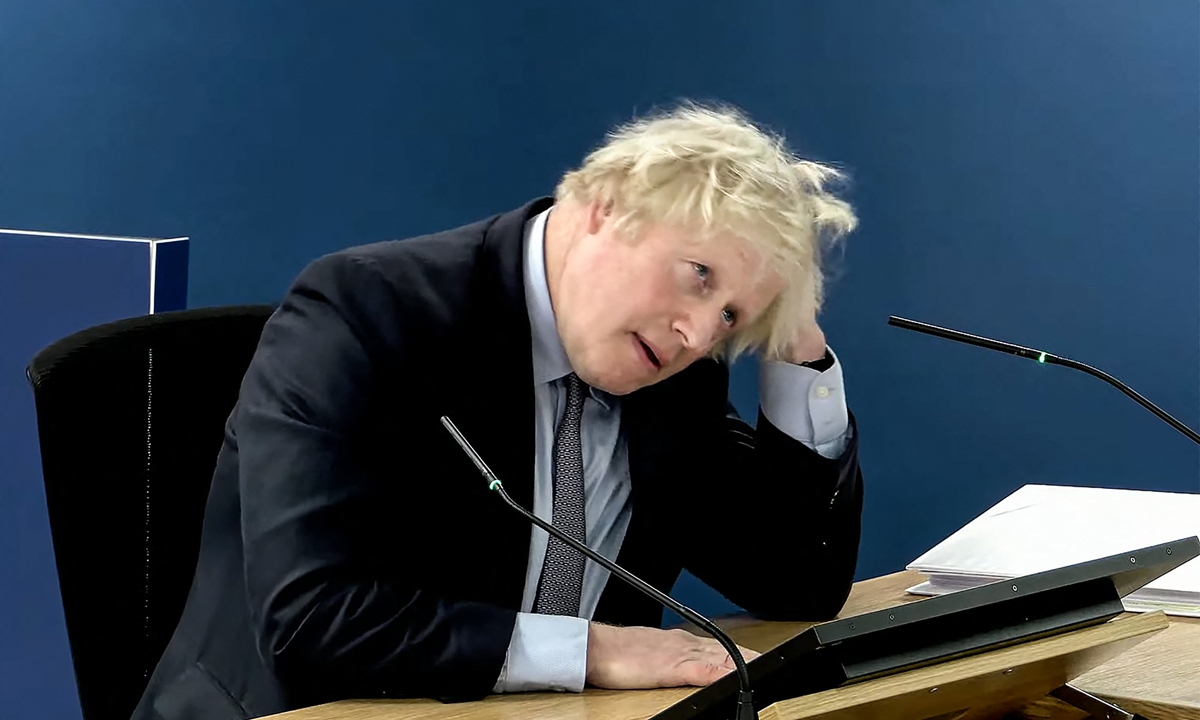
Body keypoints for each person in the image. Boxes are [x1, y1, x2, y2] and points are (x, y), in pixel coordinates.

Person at [133, 103, 864, 720]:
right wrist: (595, 650)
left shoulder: (671, 371)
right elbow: (313, 621)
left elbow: (795, 583)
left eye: (732, 315)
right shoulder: (363, 313)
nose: (699, 334)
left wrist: (796, 351)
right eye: (698, 275)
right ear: (606, 207)